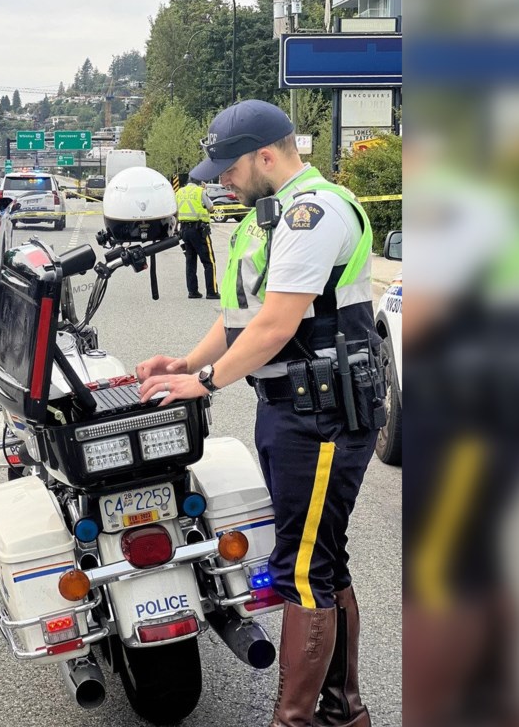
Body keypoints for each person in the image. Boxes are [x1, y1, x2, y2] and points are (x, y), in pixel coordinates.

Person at [137, 100, 380, 727]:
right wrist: (185, 366)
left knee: (301, 569)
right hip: (293, 412)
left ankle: (294, 720)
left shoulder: (312, 212)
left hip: (323, 416)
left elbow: (277, 324)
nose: (220, 179)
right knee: (322, 558)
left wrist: (207, 383)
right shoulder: (266, 218)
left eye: (228, 167)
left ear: (266, 156)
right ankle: (344, 711)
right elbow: (241, 316)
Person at [175, 172, 219, 299]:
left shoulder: (179, 192)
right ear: (199, 181)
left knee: (190, 262)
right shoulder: (200, 191)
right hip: (199, 230)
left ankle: (192, 291)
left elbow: (176, 211)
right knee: (208, 262)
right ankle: (212, 292)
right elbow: (211, 208)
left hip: (184, 231)